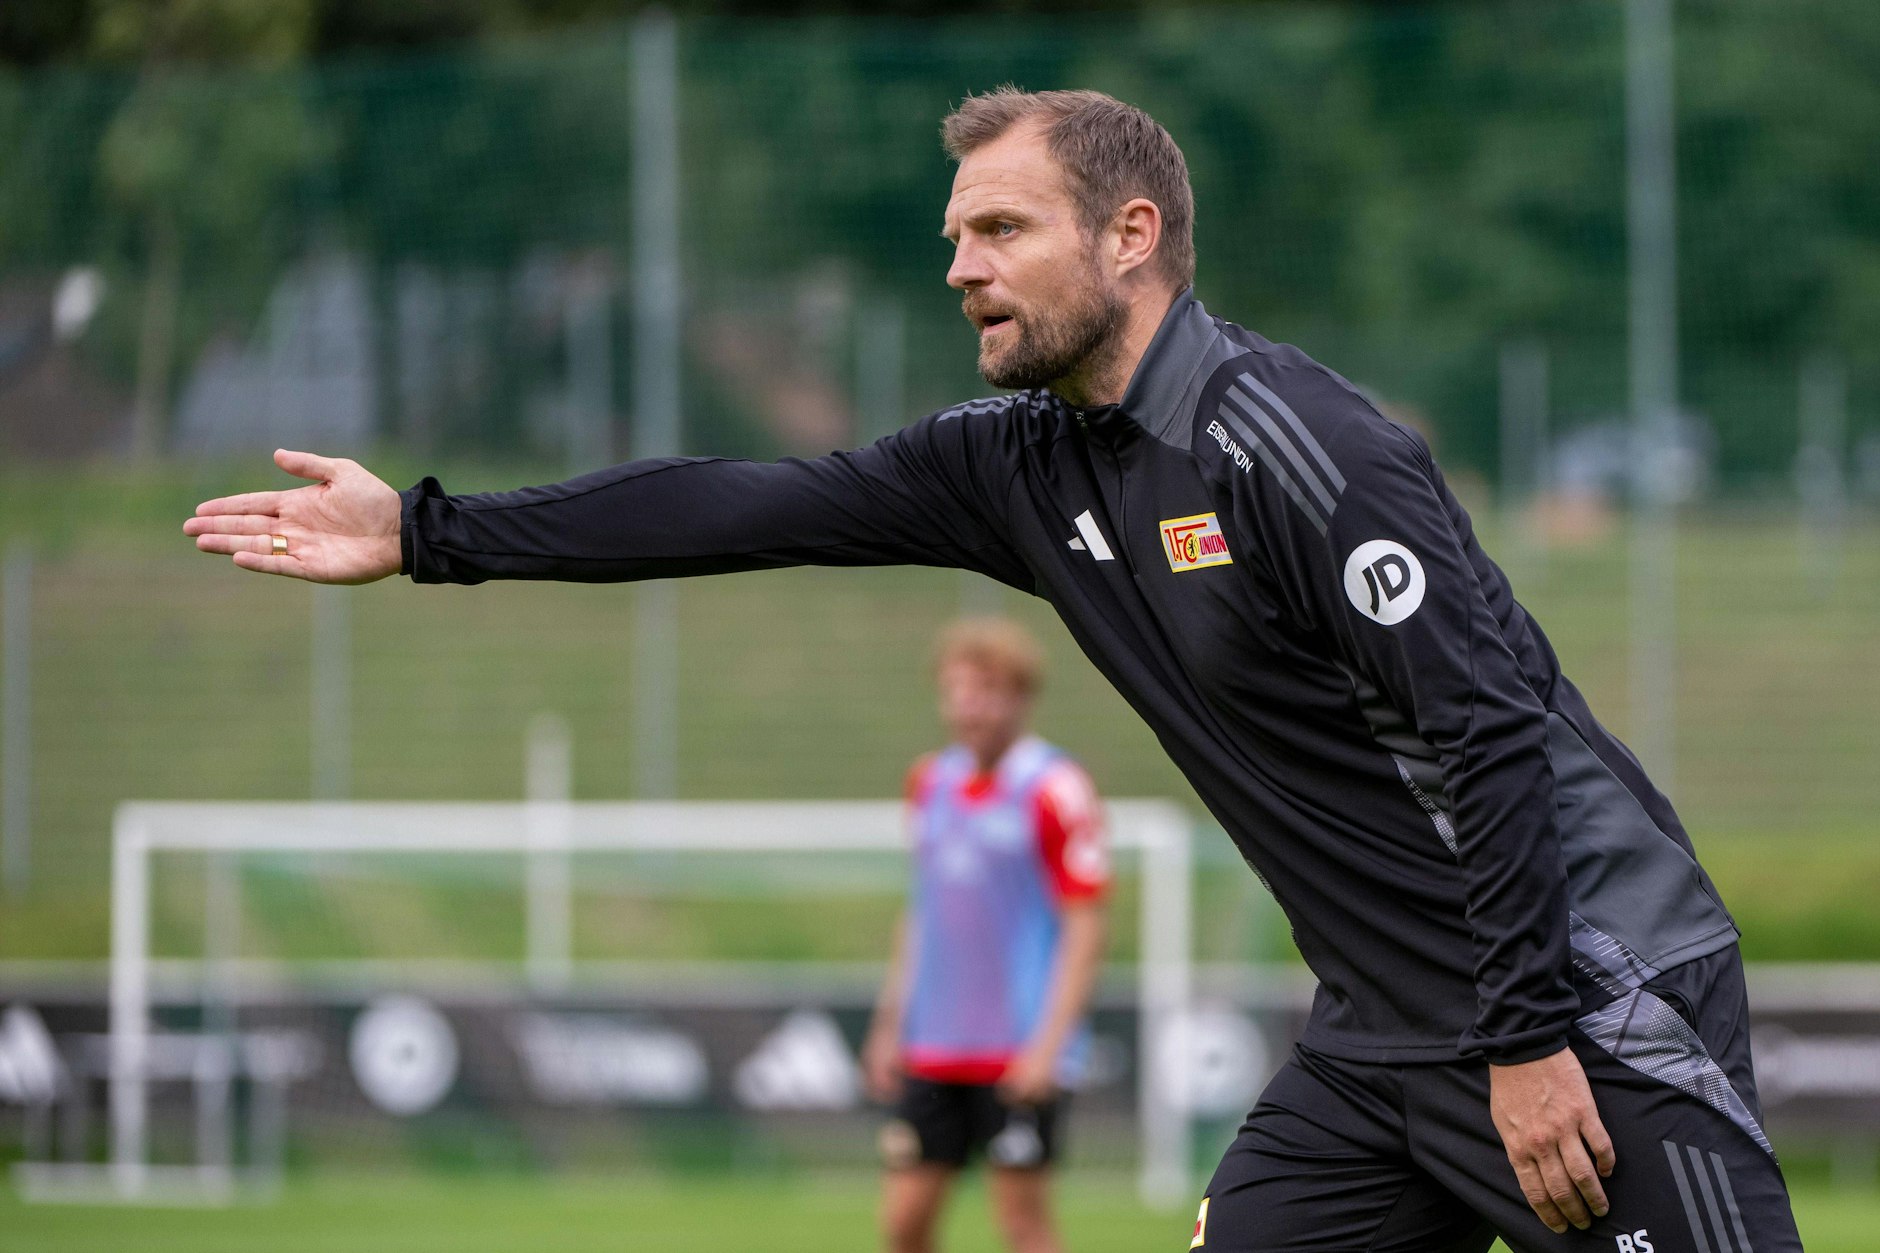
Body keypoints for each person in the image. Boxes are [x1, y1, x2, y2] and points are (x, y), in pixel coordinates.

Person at [184, 87, 1801, 1252]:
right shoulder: (1018, 465)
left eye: (1002, 227)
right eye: (954, 233)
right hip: (1380, 1034)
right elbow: (746, 501)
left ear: (1134, 231)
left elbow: (1488, 734)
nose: (959, 263)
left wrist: (1527, 1041)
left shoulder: (1301, 447)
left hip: (1586, 995)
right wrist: (429, 527)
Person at [862, 617, 1109, 1253]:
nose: (971, 705)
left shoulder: (1054, 787)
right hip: (936, 1043)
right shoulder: (929, 784)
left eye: (989, 689)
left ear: (1021, 697)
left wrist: (1049, 1046)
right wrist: (892, 1022)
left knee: (1022, 1224)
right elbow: (923, 910)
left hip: (1017, 1048)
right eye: (959, 689)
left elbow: (1086, 923)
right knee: (903, 1222)